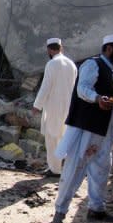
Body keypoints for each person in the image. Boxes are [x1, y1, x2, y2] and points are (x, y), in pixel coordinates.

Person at [51, 34, 113, 223]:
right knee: (75, 168)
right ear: (109, 49)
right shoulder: (93, 65)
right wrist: (97, 98)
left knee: (101, 170)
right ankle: (60, 212)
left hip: (104, 133)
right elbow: (82, 88)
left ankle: (96, 209)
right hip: (88, 129)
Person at [32, 38, 77, 177]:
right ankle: (67, 168)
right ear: (61, 48)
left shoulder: (52, 64)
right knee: (66, 137)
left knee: (52, 138)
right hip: (69, 106)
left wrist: (37, 105)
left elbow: (46, 86)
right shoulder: (71, 64)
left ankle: (55, 169)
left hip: (54, 107)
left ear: (49, 50)